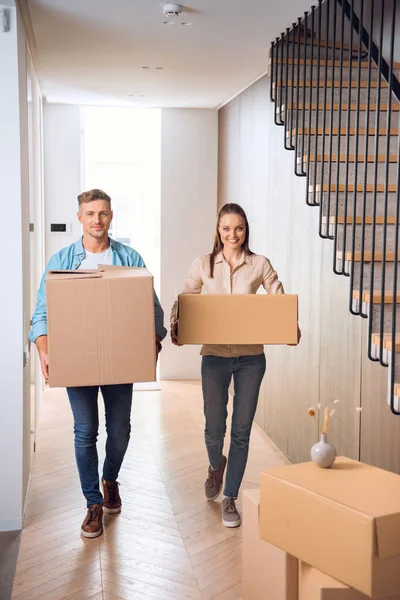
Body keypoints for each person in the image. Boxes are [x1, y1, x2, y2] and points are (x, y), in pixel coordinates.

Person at [30, 189, 167, 538]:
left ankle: (110, 479)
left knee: (120, 430)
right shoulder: (62, 261)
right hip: (78, 360)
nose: (97, 220)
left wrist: (152, 340)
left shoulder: (129, 258)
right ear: (80, 217)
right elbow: (41, 315)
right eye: (90, 213)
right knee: (85, 431)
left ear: (111, 216)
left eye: (103, 213)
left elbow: (151, 309)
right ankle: (93, 503)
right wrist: (45, 350)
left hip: (120, 358)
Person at [170, 203, 299, 528]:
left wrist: (290, 326)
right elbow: (185, 299)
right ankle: (216, 465)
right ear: (218, 230)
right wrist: (179, 325)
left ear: (246, 231)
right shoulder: (203, 264)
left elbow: (279, 300)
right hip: (213, 356)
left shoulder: (259, 264)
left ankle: (230, 497)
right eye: (226, 228)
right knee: (214, 429)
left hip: (250, 359)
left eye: (238, 228)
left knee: (241, 432)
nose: (232, 234)